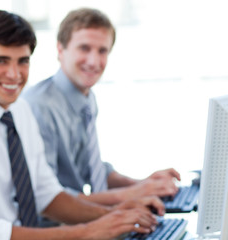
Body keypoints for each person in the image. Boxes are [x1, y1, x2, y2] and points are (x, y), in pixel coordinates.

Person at [0, 10, 164, 240]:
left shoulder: (20, 109)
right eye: (1, 61)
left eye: (23, 61)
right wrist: (90, 231)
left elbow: (47, 194)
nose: (14, 74)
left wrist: (115, 216)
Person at [23, 7, 181, 206]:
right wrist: (134, 193)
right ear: (60, 50)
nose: (94, 61)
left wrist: (143, 184)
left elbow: (91, 168)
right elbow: (51, 201)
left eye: (102, 51)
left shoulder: (86, 99)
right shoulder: (39, 108)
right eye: (84, 48)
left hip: (81, 216)